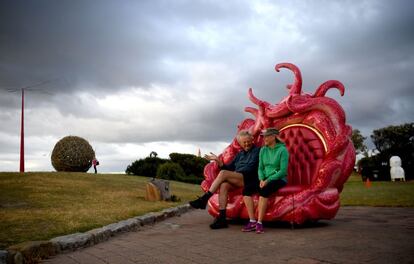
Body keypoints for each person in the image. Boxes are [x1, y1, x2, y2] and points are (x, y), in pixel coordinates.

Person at [189, 130, 260, 229]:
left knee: (223, 174)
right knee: (224, 185)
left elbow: (251, 167)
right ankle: (222, 218)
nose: (247, 144)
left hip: (250, 179)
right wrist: (218, 161)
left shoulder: (258, 151)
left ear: (252, 140)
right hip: (239, 178)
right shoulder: (240, 154)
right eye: (244, 142)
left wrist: (233, 174)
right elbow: (229, 168)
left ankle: (204, 199)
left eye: (248, 141)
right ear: (240, 143)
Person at [242, 128, 289, 234]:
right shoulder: (263, 150)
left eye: (266, 136)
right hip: (264, 179)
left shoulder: (283, 150)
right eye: (263, 136)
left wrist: (267, 181)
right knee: (246, 190)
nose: (264, 138)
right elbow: (260, 168)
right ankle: (252, 221)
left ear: (273, 137)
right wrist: (261, 179)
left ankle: (259, 223)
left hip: (279, 179)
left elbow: (282, 171)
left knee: (264, 191)